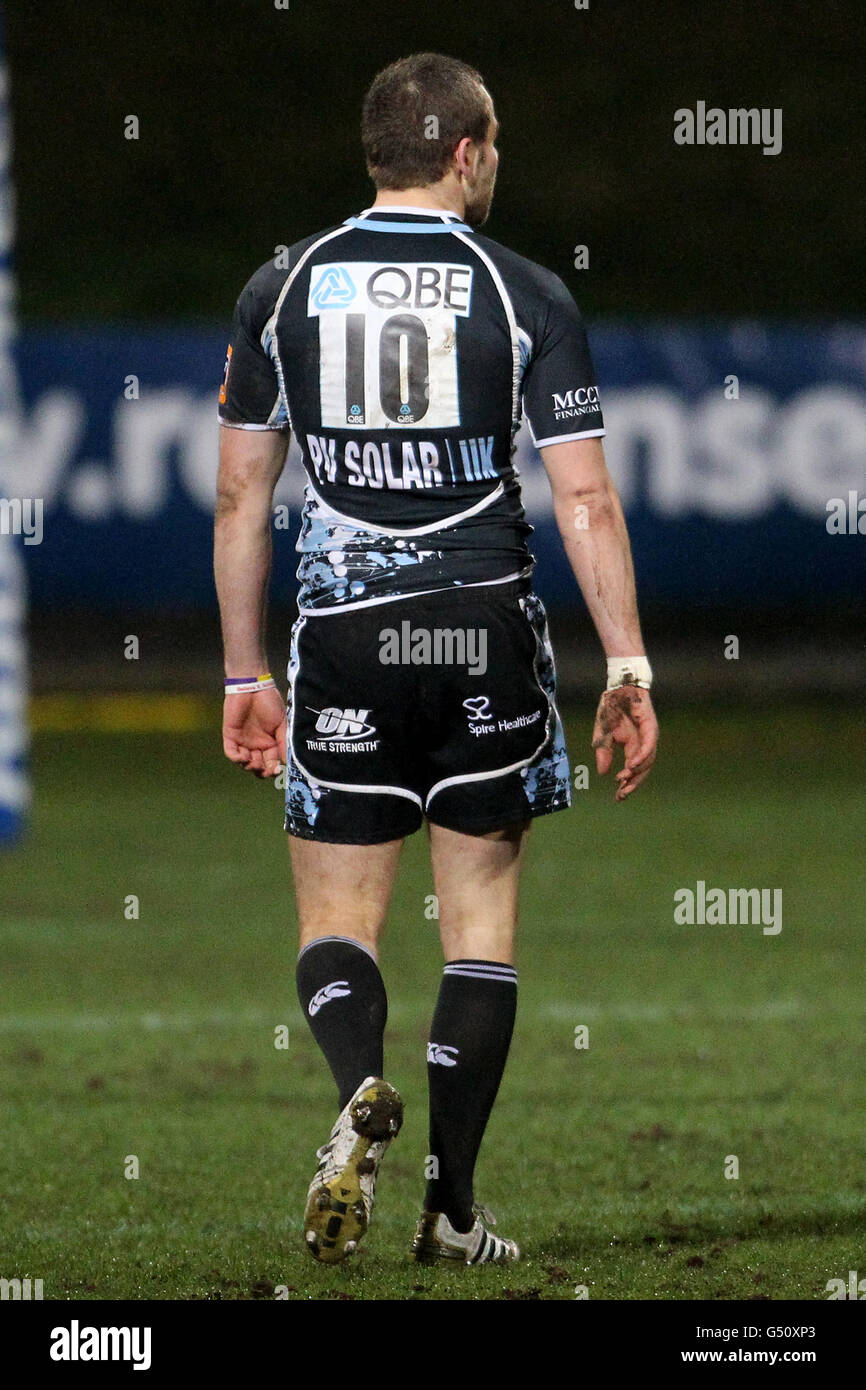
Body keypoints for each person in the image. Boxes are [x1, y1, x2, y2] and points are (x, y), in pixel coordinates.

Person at [214, 51, 658, 1268]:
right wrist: (627, 667)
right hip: (481, 631)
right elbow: (585, 504)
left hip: (345, 636)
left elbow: (241, 497)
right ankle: (450, 1209)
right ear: (466, 152)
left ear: (375, 154)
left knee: (339, 919)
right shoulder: (525, 294)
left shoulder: (283, 285)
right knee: (477, 925)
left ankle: (357, 1091)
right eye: (494, 144)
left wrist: (243, 675)